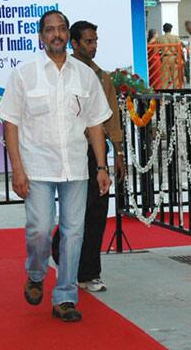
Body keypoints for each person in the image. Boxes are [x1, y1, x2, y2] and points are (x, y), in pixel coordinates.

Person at [0, 10, 112, 322]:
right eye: (50, 30)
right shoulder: (25, 73)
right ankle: (35, 274)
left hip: (76, 166)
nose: (56, 34)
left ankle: (65, 297)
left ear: (67, 34)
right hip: (37, 166)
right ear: (40, 36)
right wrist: (17, 169)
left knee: (74, 232)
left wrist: (102, 167)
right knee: (40, 230)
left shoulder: (84, 75)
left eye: (61, 29)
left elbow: (95, 125)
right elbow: (11, 123)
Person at [52, 21, 125, 292]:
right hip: (70, 151)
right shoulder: (63, 73)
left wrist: (116, 152)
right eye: (87, 42)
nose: (93, 47)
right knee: (75, 212)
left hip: (96, 152)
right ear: (74, 43)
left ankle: (89, 272)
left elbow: (112, 118)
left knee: (97, 212)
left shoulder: (102, 77)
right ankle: (63, 254)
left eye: (95, 41)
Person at [157, 23, 183, 88]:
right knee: (175, 77)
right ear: (171, 29)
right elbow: (180, 49)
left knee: (165, 78)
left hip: (165, 58)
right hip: (174, 57)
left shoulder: (160, 38)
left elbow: (156, 50)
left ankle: (164, 92)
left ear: (163, 29)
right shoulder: (176, 37)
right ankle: (177, 92)